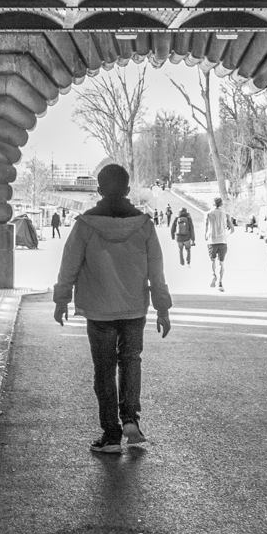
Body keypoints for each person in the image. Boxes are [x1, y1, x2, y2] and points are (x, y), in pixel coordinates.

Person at [53, 163, 173, 455]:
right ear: (128, 190)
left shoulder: (85, 225)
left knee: (104, 369)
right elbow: (156, 270)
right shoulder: (144, 225)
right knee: (131, 361)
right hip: (134, 308)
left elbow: (69, 265)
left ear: (99, 190)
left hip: (98, 309)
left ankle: (110, 435)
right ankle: (131, 419)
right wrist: (162, 307)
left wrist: (61, 300)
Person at [203, 196, 233, 290]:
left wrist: (206, 236)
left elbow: (205, 228)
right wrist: (225, 235)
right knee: (221, 263)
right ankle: (220, 282)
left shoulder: (208, 214)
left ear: (213, 203)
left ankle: (213, 275)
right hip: (223, 241)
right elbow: (232, 229)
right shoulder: (226, 214)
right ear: (221, 204)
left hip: (212, 241)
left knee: (213, 261)